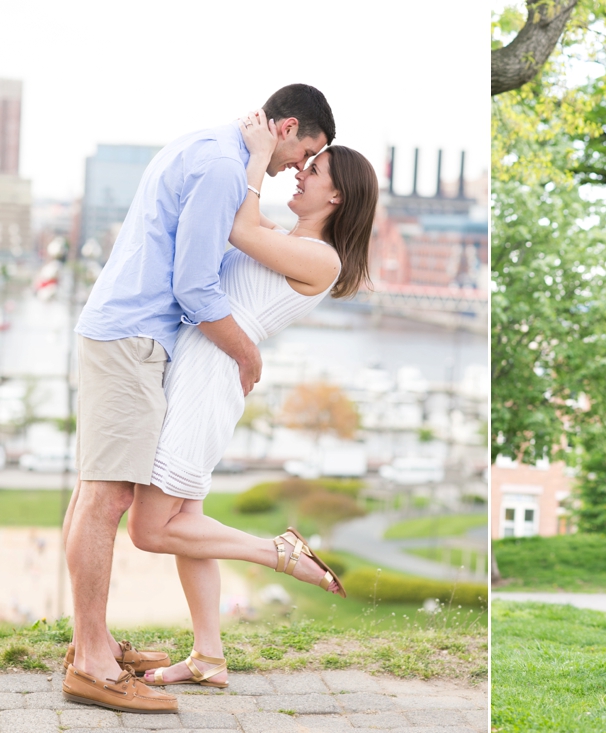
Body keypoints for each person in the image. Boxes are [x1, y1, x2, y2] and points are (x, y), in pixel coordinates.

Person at [62, 85, 336, 714]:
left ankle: (99, 647)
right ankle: (93, 660)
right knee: (110, 502)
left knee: (119, 505)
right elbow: (195, 286)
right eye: (306, 152)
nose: (298, 167)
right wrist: (248, 353)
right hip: (141, 338)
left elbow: (237, 245)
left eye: (313, 165)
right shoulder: (222, 167)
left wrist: (241, 349)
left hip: (153, 345)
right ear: (287, 126)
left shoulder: (212, 151)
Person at [125, 110, 379, 689]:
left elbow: (239, 228)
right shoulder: (290, 243)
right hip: (201, 373)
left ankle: (277, 552)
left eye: (314, 170)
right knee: (186, 520)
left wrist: (261, 155)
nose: (302, 174)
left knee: (149, 529)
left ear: (337, 196)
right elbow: (241, 231)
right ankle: (208, 656)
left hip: (206, 382)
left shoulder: (321, 259)